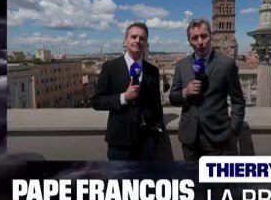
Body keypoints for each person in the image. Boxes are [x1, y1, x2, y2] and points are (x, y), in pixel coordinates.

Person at [169, 18, 246, 161]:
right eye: (195, 38)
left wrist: (233, 130)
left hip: (218, 141)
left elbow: (238, 101)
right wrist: (185, 92)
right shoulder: (182, 65)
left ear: (210, 37)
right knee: (192, 182)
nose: (200, 41)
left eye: (204, 36)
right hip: (189, 140)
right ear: (189, 41)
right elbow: (173, 97)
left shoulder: (227, 64)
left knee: (216, 184)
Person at [92, 22, 164, 160]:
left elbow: (156, 103)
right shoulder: (110, 67)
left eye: (142, 38)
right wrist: (124, 97)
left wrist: (158, 129)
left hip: (147, 143)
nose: (138, 40)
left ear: (146, 43)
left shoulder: (152, 70)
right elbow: (97, 101)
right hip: (119, 143)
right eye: (134, 37)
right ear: (125, 41)